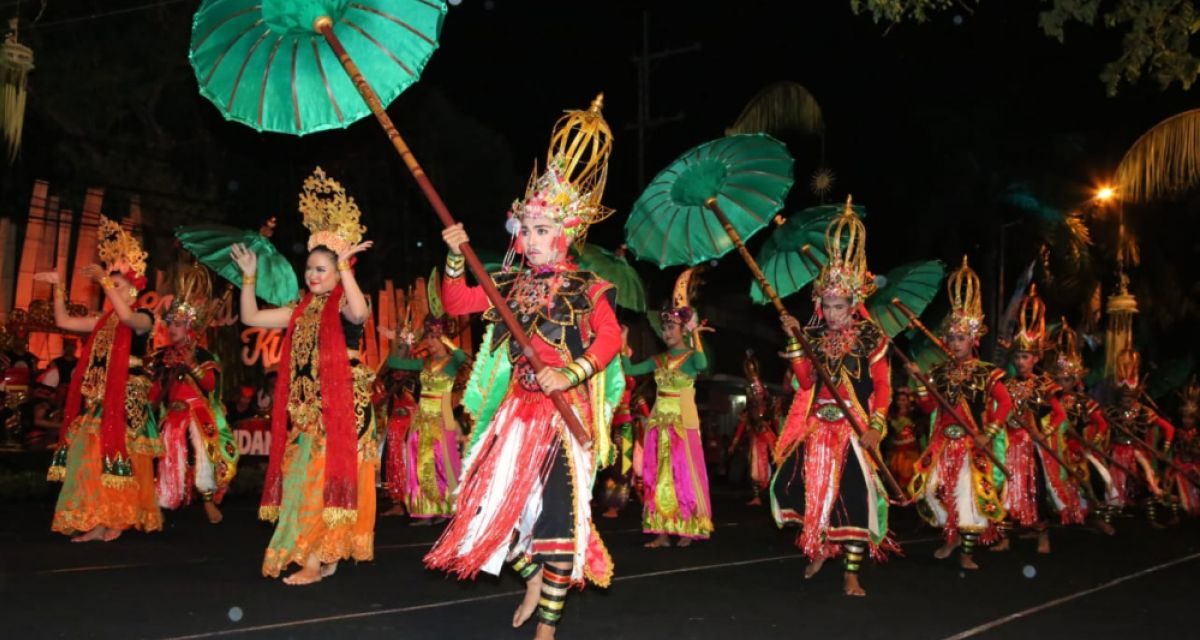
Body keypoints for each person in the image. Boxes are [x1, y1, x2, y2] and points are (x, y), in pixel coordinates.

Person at [424, 95, 624, 640]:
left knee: (559, 517)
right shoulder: (509, 284)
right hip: (517, 412)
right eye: (526, 229)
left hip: (562, 417)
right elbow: (456, 303)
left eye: (541, 230)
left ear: (565, 232)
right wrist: (453, 253)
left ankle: (547, 631)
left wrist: (574, 372)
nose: (530, 240)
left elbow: (609, 339)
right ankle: (531, 577)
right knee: (493, 509)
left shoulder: (587, 287)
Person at [232, 167, 376, 585]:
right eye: (309, 268)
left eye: (321, 269)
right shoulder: (301, 309)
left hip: (345, 403)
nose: (313, 275)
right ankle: (321, 552)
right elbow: (251, 315)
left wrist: (347, 267)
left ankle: (314, 560)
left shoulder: (346, 302)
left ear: (336, 272)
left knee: (319, 477)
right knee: (304, 476)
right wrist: (249, 276)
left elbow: (361, 313)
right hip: (310, 404)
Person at [771, 200, 896, 596]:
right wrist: (795, 341)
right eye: (825, 304)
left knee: (855, 498)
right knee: (811, 491)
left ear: (854, 304)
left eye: (839, 305)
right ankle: (819, 549)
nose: (831, 312)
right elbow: (806, 384)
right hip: (817, 428)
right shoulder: (814, 338)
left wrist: (876, 426)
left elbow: (882, 387)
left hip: (854, 430)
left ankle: (851, 572)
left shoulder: (872, 338)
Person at [39, 215, 162, 542]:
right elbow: (64, 319)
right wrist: (57, 287)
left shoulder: (143, 318)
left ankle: (118, 519)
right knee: (90, 457)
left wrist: (106, 283)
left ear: (134, 288)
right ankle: (97, 519)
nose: (111, 289)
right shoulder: (103, 320)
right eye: (110, 284)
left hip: (127, 398)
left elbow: (125, 315)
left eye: (118, 285)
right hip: (100, 397)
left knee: (121, 457)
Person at [906, 256, 1011, 570]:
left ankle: (965, 551)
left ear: (973, 339)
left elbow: (1005, 404)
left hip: (971, 445)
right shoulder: (937, 372)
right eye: (951, 337)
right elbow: (927, 408)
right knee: (928, 490)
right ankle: (950, 536)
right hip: (942, 443)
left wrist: (986, 433)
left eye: (961, 337)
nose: (955, 342)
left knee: (968, 496)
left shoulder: (986, 373)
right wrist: (919, 382)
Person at [625, 269, 715, 548]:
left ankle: (688, 528)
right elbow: (630, 368)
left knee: (683, 475)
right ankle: (662, 532)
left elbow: (702, 366)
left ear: (682, 330)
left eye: (671, 328)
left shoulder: (689, 357)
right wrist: (622, 343)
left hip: (682, 423)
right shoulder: (658, 359)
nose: (666, 333)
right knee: (657, 476)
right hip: (658, 423)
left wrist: (696, 335)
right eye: (664, 328)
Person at [992, 286, 1083, 555]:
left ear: (1036, 358)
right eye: (1018, 357)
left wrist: (1045, 432)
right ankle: (1006, 537)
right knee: (1006, 489)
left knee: (1036, 491)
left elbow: (1060, 414)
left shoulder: (1044, 385)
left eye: (1026, 357)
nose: (1021, 362)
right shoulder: (1005, 384)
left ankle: (1043, 535)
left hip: (1031, 448)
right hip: (1009, 445)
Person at [148, 279, 238, 525]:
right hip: (174, 413)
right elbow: (155, 392)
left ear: (189, 326)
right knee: (168, 456)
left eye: (178, 324)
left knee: (205, 454)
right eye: (170, 324)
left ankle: (208, 500)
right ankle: (162, 504)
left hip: (199, 411)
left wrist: (192, 365)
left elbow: (209, 385)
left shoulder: (203, 355)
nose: (172, 329)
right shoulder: (161, 356)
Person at [384, 311, 467, 523]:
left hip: (442, 415)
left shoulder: (450, 363)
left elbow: (462, 357)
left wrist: (446, 338)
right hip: (422, 416)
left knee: (443, 462)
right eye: (427, 338)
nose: (429, 342)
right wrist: (400, 340)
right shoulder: (424, 363)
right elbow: (395, 362)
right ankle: (424, 509)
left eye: (433, 338)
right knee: (420, 464)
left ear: (442, 338)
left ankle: (447, 507)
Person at [1103, 349, 1175, 526]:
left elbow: (1169, 429)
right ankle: (1110, 515)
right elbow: (1102, 430)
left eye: (1130, 396)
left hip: (1137, 450)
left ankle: (1152, 514)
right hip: (1117, 450)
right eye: (1123, 395)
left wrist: (1163, 450)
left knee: (1147, 478)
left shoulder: (1143, 411)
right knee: (1112, 482)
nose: (1126, 399)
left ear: (1137, 393)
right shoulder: (1111, 411)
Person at [729, 352, 776, 507]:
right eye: (748, 369)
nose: (750, 372)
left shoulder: (756, 386)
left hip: (764, 430)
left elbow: (764, 407)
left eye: (752, 368)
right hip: (757, 432)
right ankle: (760, 495)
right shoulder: (751, 389)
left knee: (769, 461)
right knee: (755, 464)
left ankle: (772, 493)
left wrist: (761, 420)